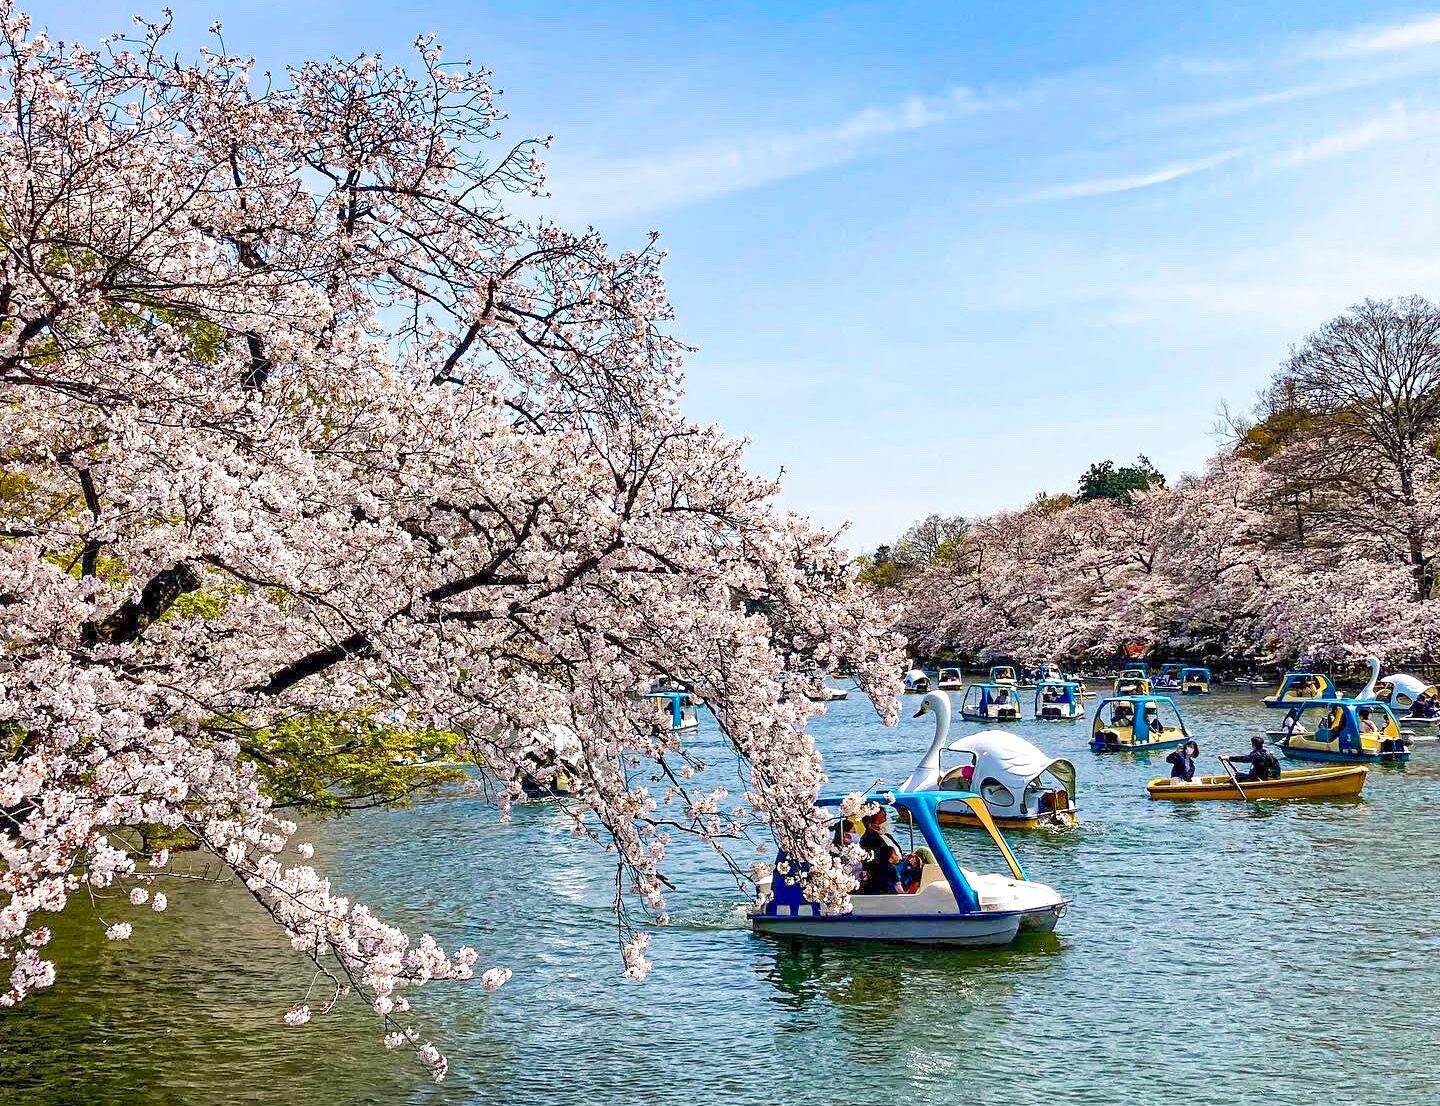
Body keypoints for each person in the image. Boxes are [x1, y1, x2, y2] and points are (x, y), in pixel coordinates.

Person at [858, 809, 901, 894]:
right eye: (882, 821)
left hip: (899, 864)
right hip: (888, 874)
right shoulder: (868, 841)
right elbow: (879, 866)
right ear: (872, 825)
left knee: (923, 850)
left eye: (885, 819)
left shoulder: (886, 835)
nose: (885, 822)